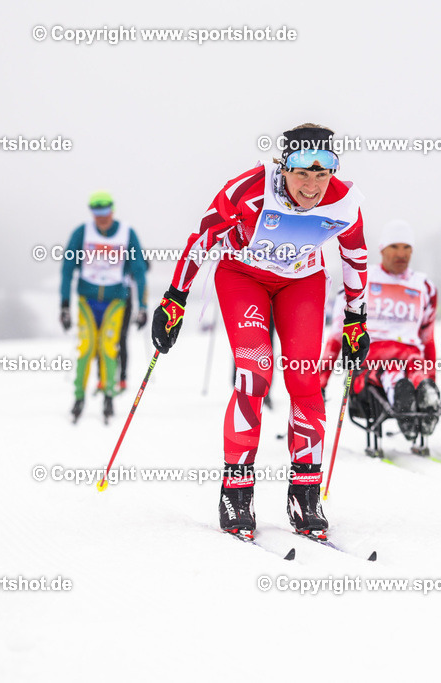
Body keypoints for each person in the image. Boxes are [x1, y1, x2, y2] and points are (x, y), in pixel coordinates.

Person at [150, 124, 369, 540]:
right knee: (255, 373)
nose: (312, 186)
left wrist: (357, 320)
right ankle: (237, 489)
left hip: (301, 282)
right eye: (302, 174)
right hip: (243, 278)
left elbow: (355, 257)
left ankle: (305, 493)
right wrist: (174, 298)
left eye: (322, 175)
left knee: (305, 380)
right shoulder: (250, 189)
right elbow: (202, 240)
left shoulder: (344, 201)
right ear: (282, 167)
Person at [320, 220, 440, 442]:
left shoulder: (424, 286)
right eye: (394, 247)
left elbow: (427, 338)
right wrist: (321, 381)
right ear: (382, 249)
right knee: (386, 370)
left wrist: (432, 378)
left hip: (409, 353)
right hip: (370, 355)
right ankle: (402, 398)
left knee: (413, 365)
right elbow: (338, 334)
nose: (401, 254)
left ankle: (424, 391)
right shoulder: (361, 280)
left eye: (407, 248)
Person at [60, 191, 148, 422]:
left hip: (115, 301)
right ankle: (79, 397)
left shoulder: (127, 233)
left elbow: (140, 269)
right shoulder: (82, 233)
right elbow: (67, 268)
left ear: (112, 210)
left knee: (109, 348)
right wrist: (65, 305)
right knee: (86, 349)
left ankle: (109, 395)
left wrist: (143, 307)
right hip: (87, 300)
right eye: (96, 211)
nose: (101, 217)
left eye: (105, 211)